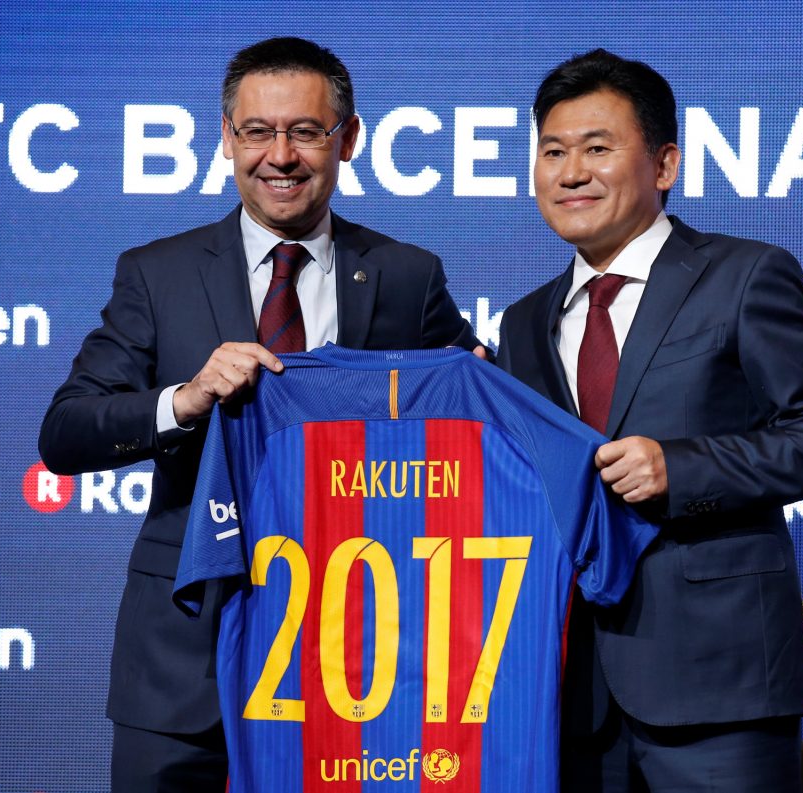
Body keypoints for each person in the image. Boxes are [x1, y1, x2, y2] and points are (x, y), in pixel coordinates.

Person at [39, 37, 481, 793]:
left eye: (306, 132)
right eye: (256, 132)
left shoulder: (409, 276)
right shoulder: (157, 273)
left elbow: (476, 409)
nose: (280, 155)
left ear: (349, 140)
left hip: (359, 659)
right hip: (184, 660)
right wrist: (186, 399)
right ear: (225, 139)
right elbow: (66, 433)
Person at [496, 49, 803, 791]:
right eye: (553, 152)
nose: (571, 172)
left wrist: (681, 467)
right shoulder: (523, 322)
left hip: (718, 684)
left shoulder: (745, 275)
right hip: (563, 692)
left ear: (664, 165)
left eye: (598, 149)